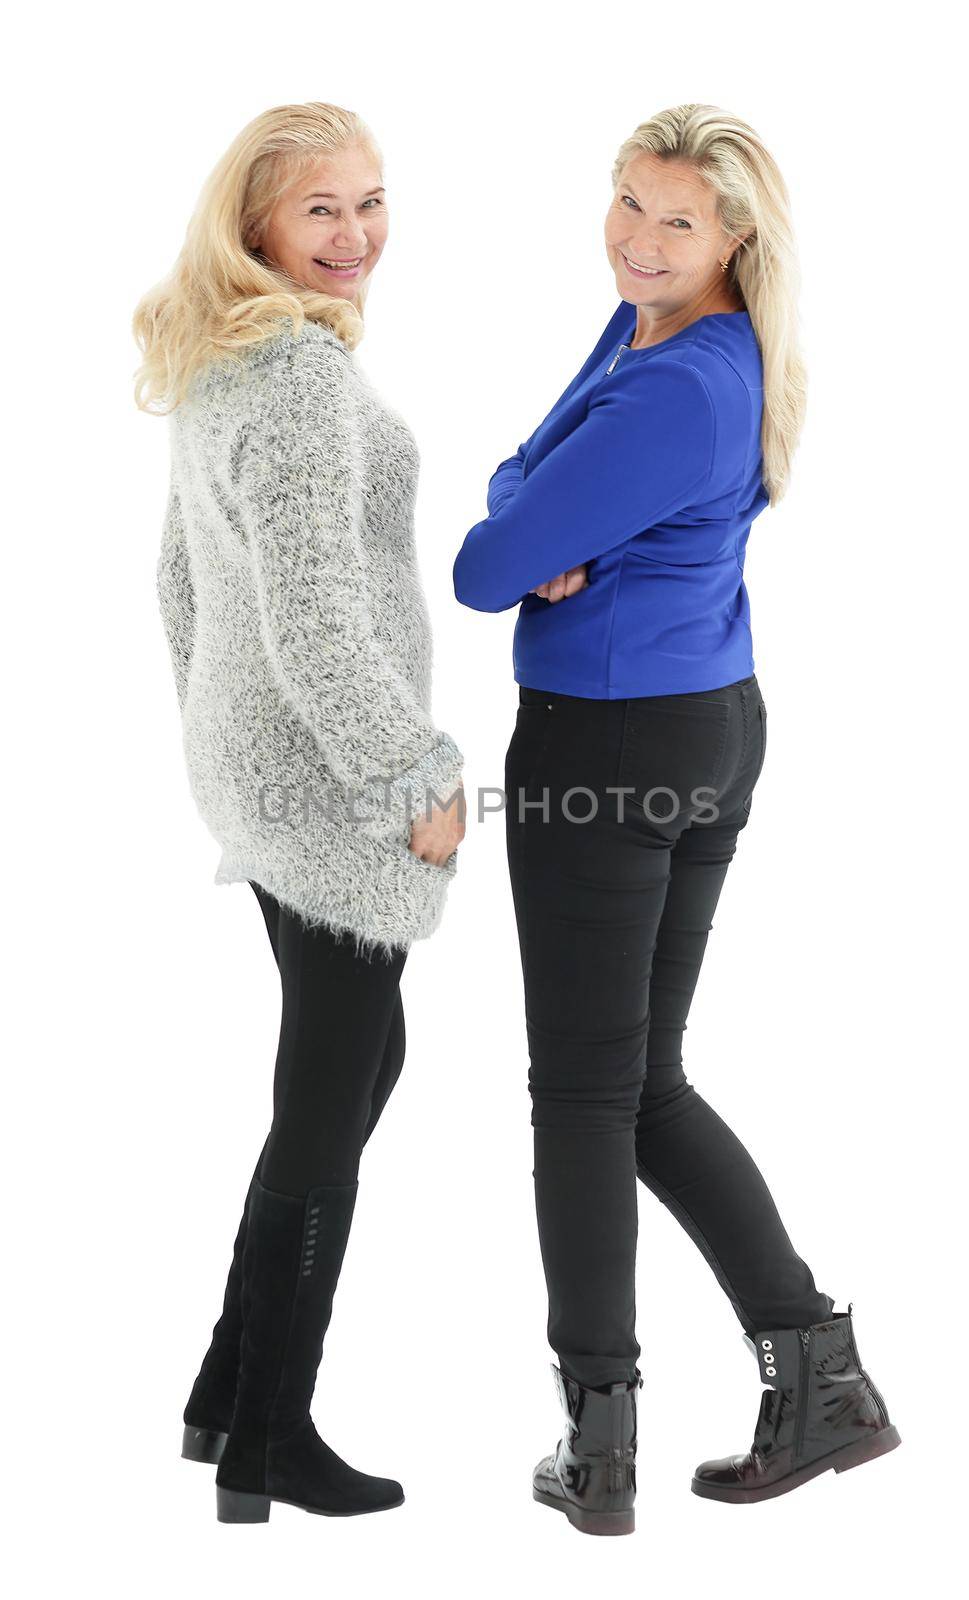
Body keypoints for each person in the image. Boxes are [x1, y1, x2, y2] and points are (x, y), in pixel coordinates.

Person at [453, 102, 899, 1533]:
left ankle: (599, 1452)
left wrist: (539, 534)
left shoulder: (672, 386)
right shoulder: (662, 328)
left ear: (736, 235)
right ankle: (818, 1376)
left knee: (585, 1098)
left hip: (614, 740)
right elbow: (519, 480)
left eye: (676, 222)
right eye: (628, 205)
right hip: (702, 717)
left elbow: (481, 566)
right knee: (638, 1085)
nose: (638, 240)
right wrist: (537, 515)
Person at [133, 101, 465, 1524]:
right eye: (322, 209)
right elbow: (316, 613)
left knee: (355, 1063)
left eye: (372, 202)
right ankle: (274, 1431)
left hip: (262, 767)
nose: (355, 236)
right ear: (257, 221)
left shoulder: (229, 356)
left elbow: (177, 585)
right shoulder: (296, 377)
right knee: (329, 1096)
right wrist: (413, 773)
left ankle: (225, 1395)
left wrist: (219, 734)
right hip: (327, 784)